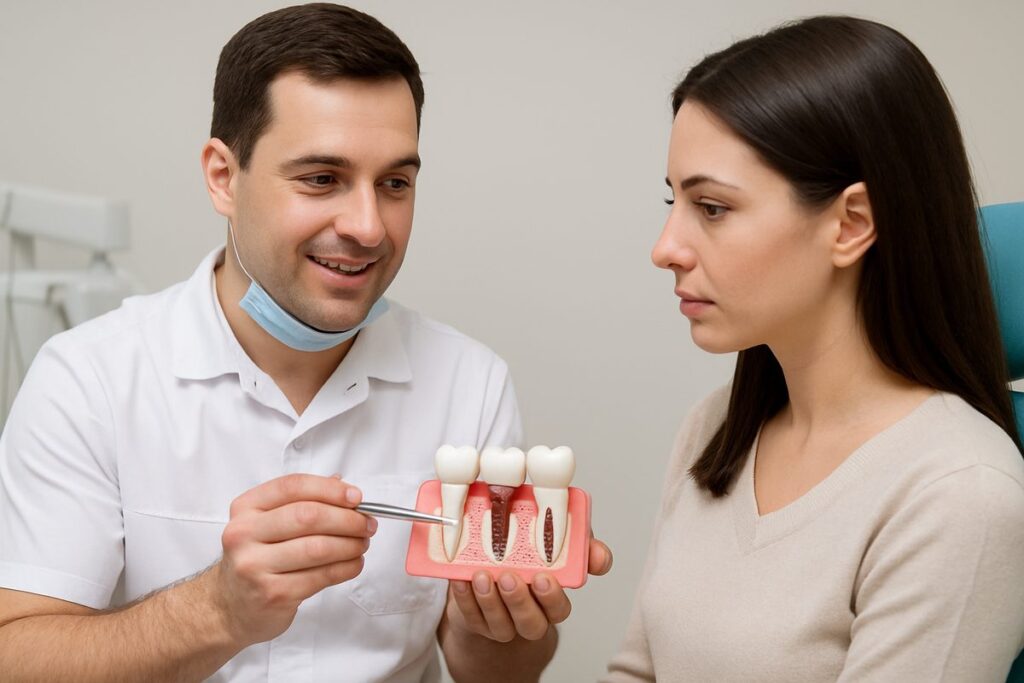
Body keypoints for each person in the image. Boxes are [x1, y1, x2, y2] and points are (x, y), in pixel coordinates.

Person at [0, 4, 610, 681]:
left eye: (395, 183)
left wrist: (490, 625)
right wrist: (218, 608)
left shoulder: (470, 380)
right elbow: (16, 656)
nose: (369, 226)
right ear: (223, 177)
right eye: (322, 178)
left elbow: (498, 671)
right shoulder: (89, 379)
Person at [603, 15, 1024, 682]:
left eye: (711, 207)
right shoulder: (714, 431)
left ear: (851, 223)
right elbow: (636, 671)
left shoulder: (960, 495)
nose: (665, 248)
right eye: (673, 202)